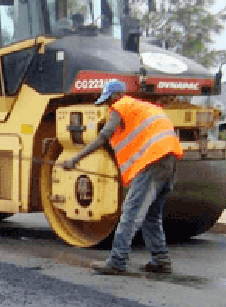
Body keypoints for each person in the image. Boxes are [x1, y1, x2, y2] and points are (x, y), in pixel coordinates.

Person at [62, 80, 183, 275]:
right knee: (151, 215)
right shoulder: (145, 108)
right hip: (169, 162)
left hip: (153, 161)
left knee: (131, 213)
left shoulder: (121, 106)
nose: (109, 107)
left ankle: (117, 261)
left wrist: (75, 159)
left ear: (115, 96)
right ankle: (161, 260)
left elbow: (103, 136)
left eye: (108, 101)